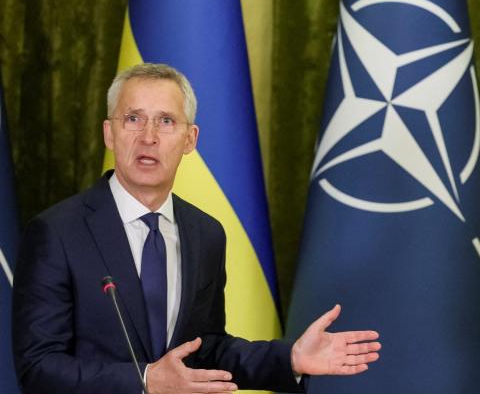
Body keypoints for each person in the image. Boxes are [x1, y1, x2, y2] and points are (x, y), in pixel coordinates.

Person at [12, 63, 381, 393]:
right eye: (133, 119)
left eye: (167, 121)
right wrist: (144, 381)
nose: (149, 137)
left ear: (190, 140)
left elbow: (208, 350)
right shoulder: (57, 232)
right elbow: (39, 367)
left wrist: (289, 359)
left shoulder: (204, 234)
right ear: (110, 133)